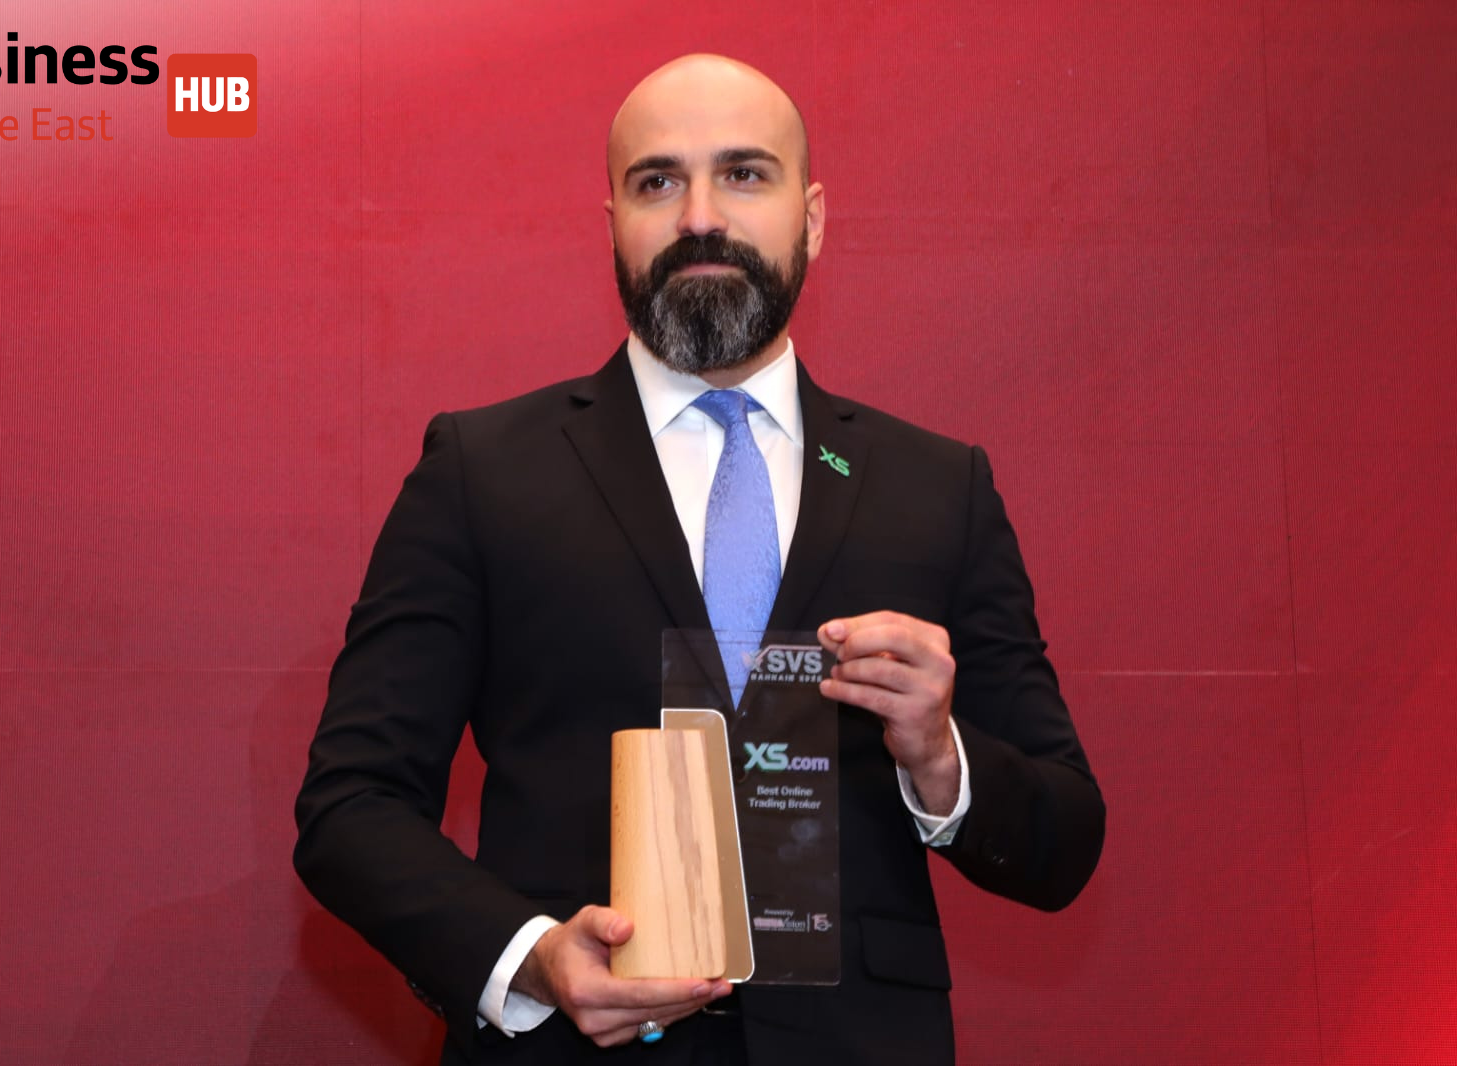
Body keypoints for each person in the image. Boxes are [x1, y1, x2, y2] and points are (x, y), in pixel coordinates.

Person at [295, 54, 1105, 1066]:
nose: (699, 216)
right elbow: (352, 806)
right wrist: (533, 959)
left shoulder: (938, 487)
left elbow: (1065, 838)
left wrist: (941, 759)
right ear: (613, 226)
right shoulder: (482, 470)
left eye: (744, 174)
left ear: (812, 217)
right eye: (657, 181)